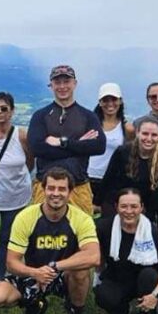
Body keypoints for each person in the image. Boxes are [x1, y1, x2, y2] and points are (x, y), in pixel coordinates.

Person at [0, 167, 100, 314]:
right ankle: (34, 305)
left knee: (81, 271)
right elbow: (11, 262)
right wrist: (35, 273)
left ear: (70, 192)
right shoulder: (26, 217)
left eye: (62, 189)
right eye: (51, 188)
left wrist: (56, 267)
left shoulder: (81, 218)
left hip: (64, 274)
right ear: (43, 189)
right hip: (33, 272)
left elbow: (93, 256)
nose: (56, 194)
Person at [94, 188, 158, 314]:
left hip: (146, 282)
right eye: (124, 206)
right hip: (117, 277)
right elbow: (98, 256)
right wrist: (96, 278)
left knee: (149, 275)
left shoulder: (152, 231)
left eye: (134, 206)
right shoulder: (104, 227)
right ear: (116, 206)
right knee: (103, 295)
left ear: (141, 207)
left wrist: (155, 295)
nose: (129, 211)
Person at [27, 65, 105, 216]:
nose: (62, 86)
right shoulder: (41, 115)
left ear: (74, 84)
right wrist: (79, 144)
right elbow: (37, 148)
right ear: (51, 86)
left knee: (81, 235)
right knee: (40, 232)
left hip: (78, 187)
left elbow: (99, 146)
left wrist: (63, 142)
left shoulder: (88, 116)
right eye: (58, 82)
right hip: (45, 187)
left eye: (66, 81)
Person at [0, 91, 32, 279]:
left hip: (17, 197)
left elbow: (30, 162)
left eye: (4, 108)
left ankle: (1, 277)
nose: (0, 112)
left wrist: (18, 178)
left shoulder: (21, 136)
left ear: (12, 111)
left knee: (8, 240)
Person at [100, 116, 158, 227]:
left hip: (146, 208)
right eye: (145, 134)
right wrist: (97, 202)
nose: (149, 139)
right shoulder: (123, 152)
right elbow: (108, 179)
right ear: (137, 133)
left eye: (154, 135)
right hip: (119, 204)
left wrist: (148, 215)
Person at [89, 82, 135, 213]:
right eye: (105, 100)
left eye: (114, 99)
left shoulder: (128, 129)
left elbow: (128, 156)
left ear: (120, 101)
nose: (110, 104)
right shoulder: (90, 125)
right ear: (100, 102)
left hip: (111, 181)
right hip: (87, 178)